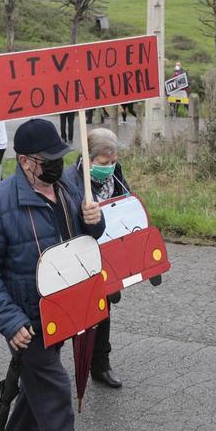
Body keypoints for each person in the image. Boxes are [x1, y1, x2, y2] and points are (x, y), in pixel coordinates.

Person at [0, 118, 108, 431]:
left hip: (67, 311)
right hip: (29, 319)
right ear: (27, 162)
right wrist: (11, 324)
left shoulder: (68, 188)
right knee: (55, 392)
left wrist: (96, 223)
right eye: (50, 159)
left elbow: (83, 240)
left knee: (36, 389)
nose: (59, 164)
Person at [64, 128, 131, 389]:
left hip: (109, 255)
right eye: (104, 164)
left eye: (113, 162)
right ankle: (54, 370)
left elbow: (124, 201)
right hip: (81, 255)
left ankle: (100, 365)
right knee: (79, 317)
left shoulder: (116, 174)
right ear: (88, 159)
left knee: (103, 312)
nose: (110, 168)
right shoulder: (71, 180)